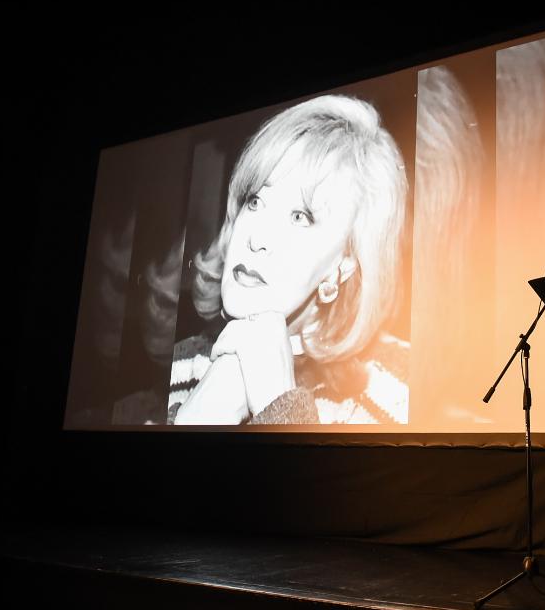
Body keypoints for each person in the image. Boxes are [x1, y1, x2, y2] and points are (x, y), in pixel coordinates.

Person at [169, 94, 409, 425]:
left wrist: (281, 409)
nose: (256, 238)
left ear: (344, 264)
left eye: (300, 216)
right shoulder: (176, 368)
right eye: (255, 201)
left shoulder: (395, 389)